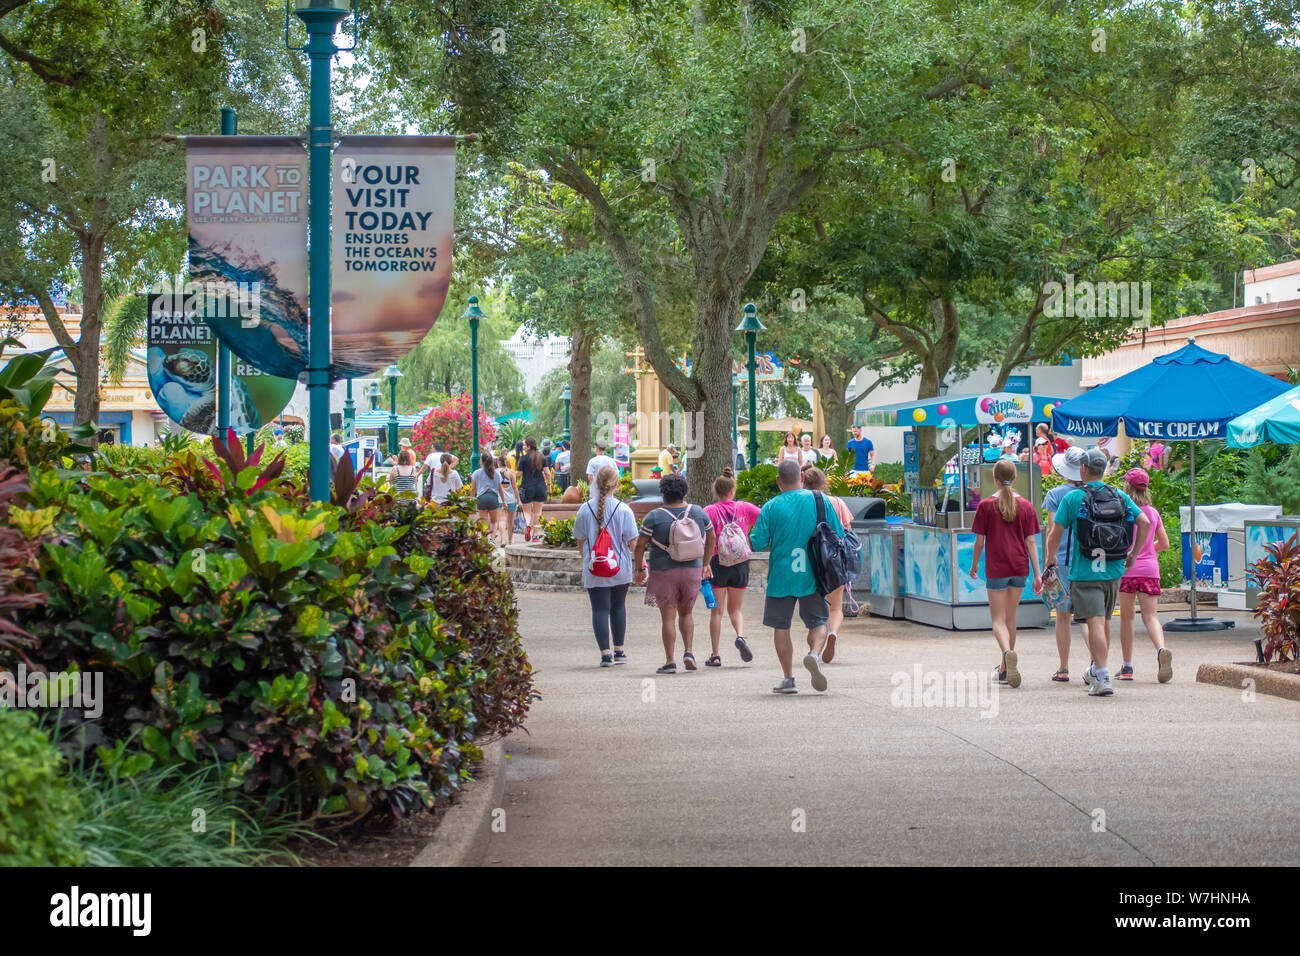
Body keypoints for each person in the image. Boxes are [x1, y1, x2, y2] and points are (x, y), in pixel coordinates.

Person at [1044, 448, 1149, 698]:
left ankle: (1102, 677)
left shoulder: (1073, 499)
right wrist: (1132, 554)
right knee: (1104, 622)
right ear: (1103, 470)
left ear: (1083, 469)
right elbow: (1144, 522)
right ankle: (1095, 669)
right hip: (1113, 570)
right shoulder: (1120, 495)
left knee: (1094, 623)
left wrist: (1050, 561)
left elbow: (1054, 533)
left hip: (1085, 572)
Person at [750, 458, 844, 694]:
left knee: (781, 627)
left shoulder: (771, 506)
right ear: (801, 478)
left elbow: (758, 542)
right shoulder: (820, 499)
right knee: (819, 623)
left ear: (778, 481)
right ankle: (813, 654)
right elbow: (839, 535)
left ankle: (788, 679)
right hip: (814, 574)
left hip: (781, 577)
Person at [970, 458, 1043, 689]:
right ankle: (1004, 669)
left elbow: (979, 541)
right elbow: (1031, 542)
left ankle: (1007, 654)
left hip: (997, 568)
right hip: (1020, 567)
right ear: (1015, 476)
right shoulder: (1027, 506)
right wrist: (1038, 574)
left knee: (997, 620)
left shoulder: (985, 506)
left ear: (995, 478)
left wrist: (974, 565)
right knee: (1011, 619)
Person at [633, 473, 715, 674]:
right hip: (692, 570)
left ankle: (670, 661)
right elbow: (712, 536)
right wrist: (706, 563)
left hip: (663, 571)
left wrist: (639, 569)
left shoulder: (654, 516)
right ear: (685, 492)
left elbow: (640, 545)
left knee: (667, 618)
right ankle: (689, 652)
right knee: (686, 613)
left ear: (663, 494)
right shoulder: (698, 512)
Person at [574, 466, 640, 667]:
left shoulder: (585, 509)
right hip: (619, 567)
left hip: (595, 568)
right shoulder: (624, 510)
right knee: (618, 606)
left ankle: (605, 654)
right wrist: (641, 565)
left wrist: (588, 558)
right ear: (616, 484)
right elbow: (633, 543)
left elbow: (581, 541)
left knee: (599, 609)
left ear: (594, 482)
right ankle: (619, 650)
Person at [1117, 468, 1173, 683]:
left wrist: (1133, 552)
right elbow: (1165, 544)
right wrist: (1147, 549)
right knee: (1151, 617)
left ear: (1127, 487)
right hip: (1150, 570)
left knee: (1127, 618)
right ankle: (1161, 650)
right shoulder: (1153, 512)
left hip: (1126, 570)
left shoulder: (1123, 511)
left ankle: (1127, 666)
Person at [702, 468, 760, 667]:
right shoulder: (744, 507)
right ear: (733, 491)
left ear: (715, 492)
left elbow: (701, 535)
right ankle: (741, 636)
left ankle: (716, 655)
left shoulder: (709, 511)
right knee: (735, 609)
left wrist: (704, 563)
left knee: (716, 612)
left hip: (718, 562)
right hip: (740, 562)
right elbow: (763, 519)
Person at [1042, 447, 1089, 682]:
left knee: (1062, 616)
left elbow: (1053, 529)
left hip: (1060, 561)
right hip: (1088, 562)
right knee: (1089, 616)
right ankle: (1096, 664)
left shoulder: (1055, 494)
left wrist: (1048, 559)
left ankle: (1063, 668)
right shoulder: (1092, 493)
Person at [800, 466, 854, 664]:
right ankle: (833, 634)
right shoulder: (838, 503)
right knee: (836, 607)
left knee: (815, 609)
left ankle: (816, 644)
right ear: (824, 483)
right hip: (834, 562)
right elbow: (847, 532)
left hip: (812, 561)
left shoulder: (803, 503)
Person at [517, 437, 551, 542]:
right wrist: (548, 484)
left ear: (529, 446)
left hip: (527, 486)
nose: (523, 447)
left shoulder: (523, 459)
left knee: (527, 511)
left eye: (524, 445)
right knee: (538, 512)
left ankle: (527, 526)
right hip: (540, 486)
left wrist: (512, 476)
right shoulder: (542, 457)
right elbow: (547, 473)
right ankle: (535, 535)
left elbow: (518, 475)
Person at [471, 453, 505, 543]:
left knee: (484, 522)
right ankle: (492, 539)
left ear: (481, 461)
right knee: (494, 521)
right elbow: (500, 489)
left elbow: (473, 488)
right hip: (493, 498)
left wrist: (471, 500)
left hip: (481, 498)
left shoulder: (476, 473)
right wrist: (504, 502)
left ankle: (487, 537)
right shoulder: (496, 473)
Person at [497, 458, 520, 544]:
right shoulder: (511, 472)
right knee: (510, 521)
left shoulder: (495, 472)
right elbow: (515, 488)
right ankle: (510, 540)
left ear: (498, 463)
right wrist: (519, 501)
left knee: (502, 520)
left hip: (500, 499)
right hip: (511, 499)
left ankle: (503, 540)